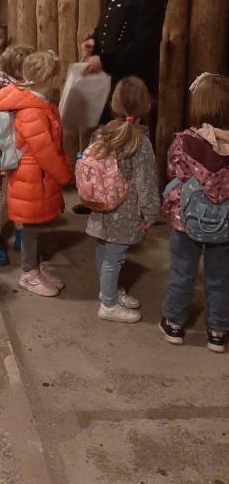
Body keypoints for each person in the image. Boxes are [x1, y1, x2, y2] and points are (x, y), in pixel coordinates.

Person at [0, 50, 73, 296]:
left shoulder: (38, 103)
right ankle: (28, 273)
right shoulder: (32, 110)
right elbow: (44, 151)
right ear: (51, 79)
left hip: (36, 175)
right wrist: (64, 174)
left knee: (35, 226)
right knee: (29, 228)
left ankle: (35, 265)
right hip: (31, 175)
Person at [160, 73, 229, 353]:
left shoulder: (184, 141)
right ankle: (217, 331)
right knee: (220, 278)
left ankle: (174, 324)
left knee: (182, 271)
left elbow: (174, 173)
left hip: (186, 222)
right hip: (225, 226)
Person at [83, 77, 160, 323]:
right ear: (147, 106)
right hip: (124, 213)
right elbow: (147, 184)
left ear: (113, 104)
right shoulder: (140, 142)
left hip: (99, 205)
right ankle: (108, 304)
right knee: (114, 257)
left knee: (104, 249)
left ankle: (107, 291)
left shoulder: (101, 133)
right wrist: (150, 213)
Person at [0, 45, 34, 265]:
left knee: (22, 196)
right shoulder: (4, 96)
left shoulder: (29, 93)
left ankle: (21, 232)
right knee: (1, 198)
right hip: (4, 156)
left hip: (24, 155)